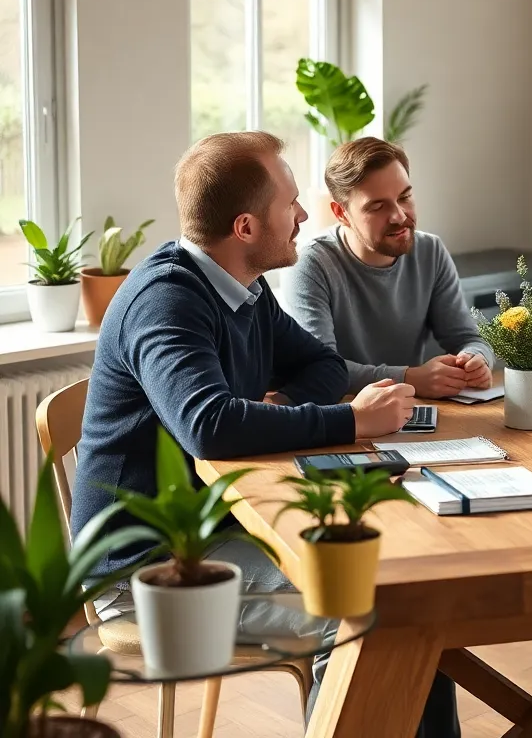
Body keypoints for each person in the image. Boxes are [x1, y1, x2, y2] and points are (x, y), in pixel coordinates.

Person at [72, 132, 460, 737]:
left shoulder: (244, 289)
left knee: (409, 588)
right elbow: (210, 426)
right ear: (247, 226)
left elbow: (322, 365)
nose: (305, 215)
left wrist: (283, 407)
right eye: (292, 204)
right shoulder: (166, 299)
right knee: (373, 611)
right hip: (150, 571)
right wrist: (351, 419)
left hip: (231, 528)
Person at [286, 138, 493, 398]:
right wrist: (409, 378)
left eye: (404, 197)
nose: (399, 216)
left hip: (409, 412)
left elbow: (468, 337)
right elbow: (320, 367)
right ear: (341, 213)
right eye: (378, 206)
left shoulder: (430, 251)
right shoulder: (310, 265)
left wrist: (475, 359)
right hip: (344, 417)